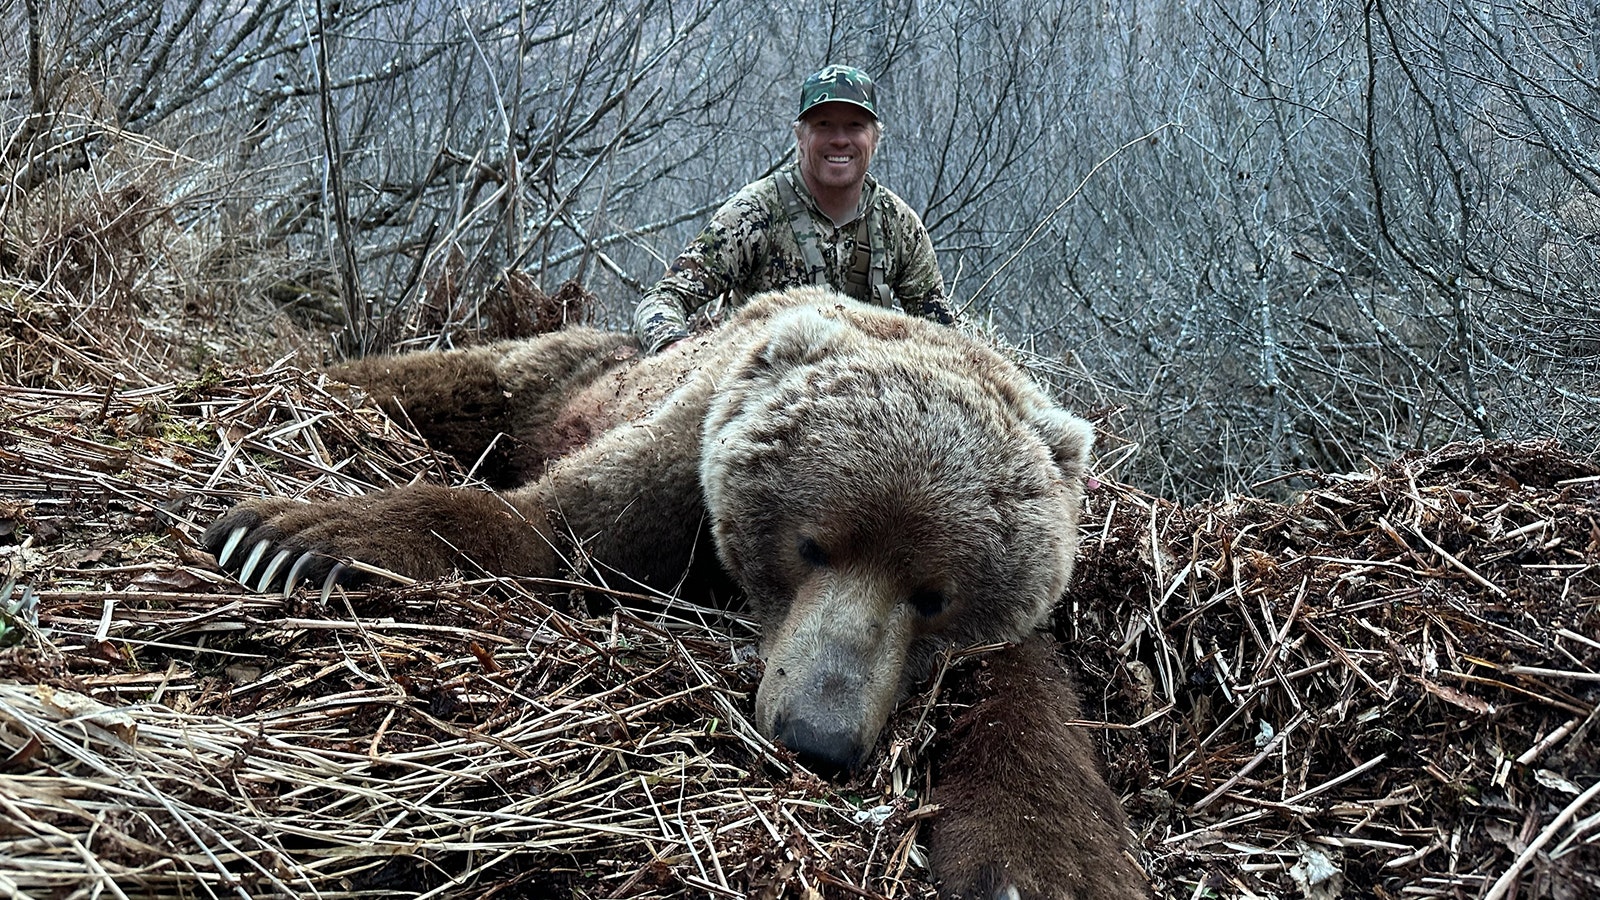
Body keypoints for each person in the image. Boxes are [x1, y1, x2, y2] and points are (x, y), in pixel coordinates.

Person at [633, 64, 954, 353]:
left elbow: (944, 333)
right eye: (824, 125)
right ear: (800, 137)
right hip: (763, 391)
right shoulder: (755, 213)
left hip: (862, 393)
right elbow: (662, 299)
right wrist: (673, 345)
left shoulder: (899, 225)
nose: (840, 140)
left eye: (855, 125)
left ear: (875, 138)